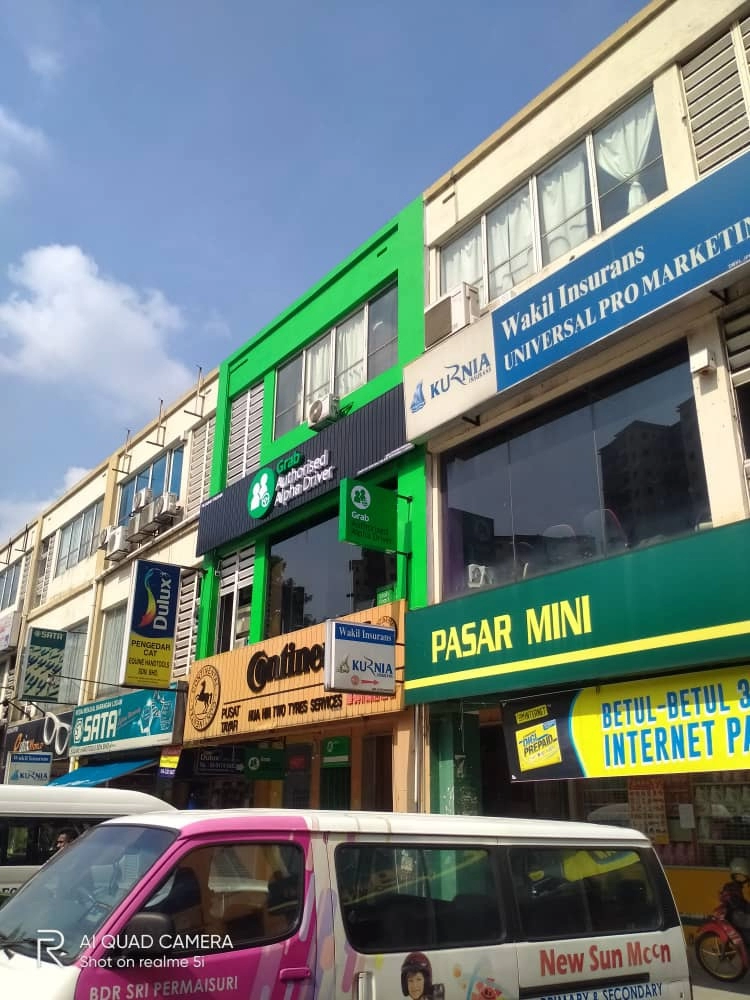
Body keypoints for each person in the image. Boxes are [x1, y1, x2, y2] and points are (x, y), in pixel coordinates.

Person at [721, 857, 750, 942]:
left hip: (739, 914)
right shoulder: (732, 888)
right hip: (738, 916)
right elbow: (737, 904)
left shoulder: (733, 886)